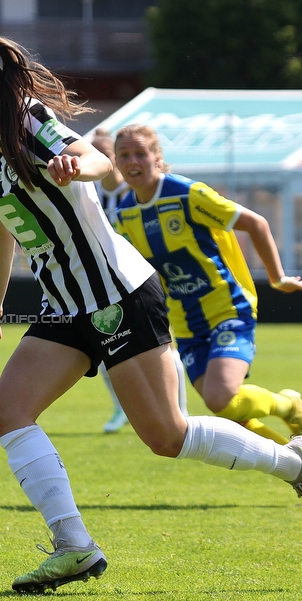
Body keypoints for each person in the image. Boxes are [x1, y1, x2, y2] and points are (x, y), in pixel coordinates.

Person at [0, 35, 302, 595]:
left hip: (120, 294)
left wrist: (77, 162)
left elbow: (97, 159)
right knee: (7, 413)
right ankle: (75, 547)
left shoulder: (31, 122)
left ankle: (297, 465)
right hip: (66, 305)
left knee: (167, 438)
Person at [111, 124, 302, 448]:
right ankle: (299, 463)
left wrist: (277, 278)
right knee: (228, 409)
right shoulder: (125, 213)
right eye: (124, 154)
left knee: (219, 396)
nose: (133, 160)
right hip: (185, 323)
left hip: (226, 307)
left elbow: (256, 223)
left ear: (157, 156)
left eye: (141, 152)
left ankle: (287, 405)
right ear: (116, 161)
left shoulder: (186, 194)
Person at [90, 128, 188, 433]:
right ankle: (121, 410)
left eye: (104, 154)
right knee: (106, 346)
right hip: (106, 283)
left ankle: (180, 412)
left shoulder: (135, 190)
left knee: (164, 345)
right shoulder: (89, 191)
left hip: (145, 280)